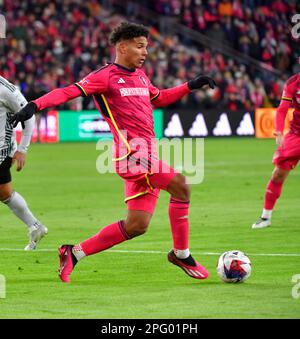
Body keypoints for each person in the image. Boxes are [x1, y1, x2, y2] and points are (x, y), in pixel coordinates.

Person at [10, 22, 216, 282]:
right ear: (122, 46)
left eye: (147, 47)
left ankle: (73, 253)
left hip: (148, 153)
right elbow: (68, 91)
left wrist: (190, 85)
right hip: (131, 155)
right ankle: (181, 253)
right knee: (182, 186)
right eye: (140, 46)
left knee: (137, 225)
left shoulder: (141, 77)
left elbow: (159, 98)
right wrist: (34, 105)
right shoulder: (105, 76)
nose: (145, 52)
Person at [0, 75, 48, 250]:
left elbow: (29, 114)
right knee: (4, 193)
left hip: (2, 149)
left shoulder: (6, 89)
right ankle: (35, 227)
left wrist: (23, 149)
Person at [252, 71, 300, 229]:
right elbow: (282, 109)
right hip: (296, 134)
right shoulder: (293, 83)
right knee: (278, 174)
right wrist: (279, 130)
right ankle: (265, 217)